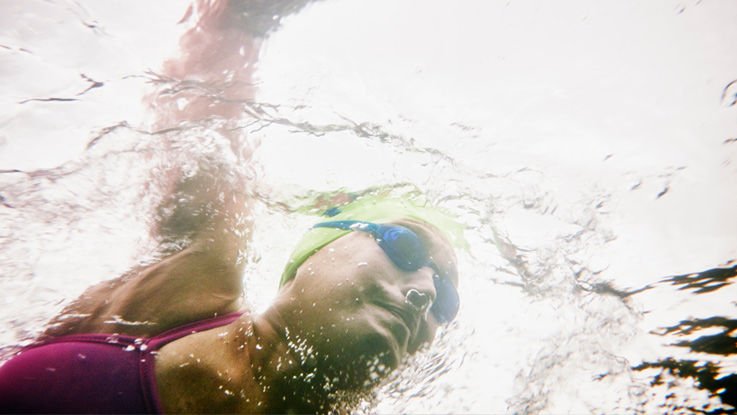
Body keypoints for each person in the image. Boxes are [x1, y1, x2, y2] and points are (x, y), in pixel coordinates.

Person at [0, 195, 461, 413]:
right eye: (405, 246)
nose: (428, 294)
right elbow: (211, 69)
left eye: (448, 301)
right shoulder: (192, 284)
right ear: (320, 245)